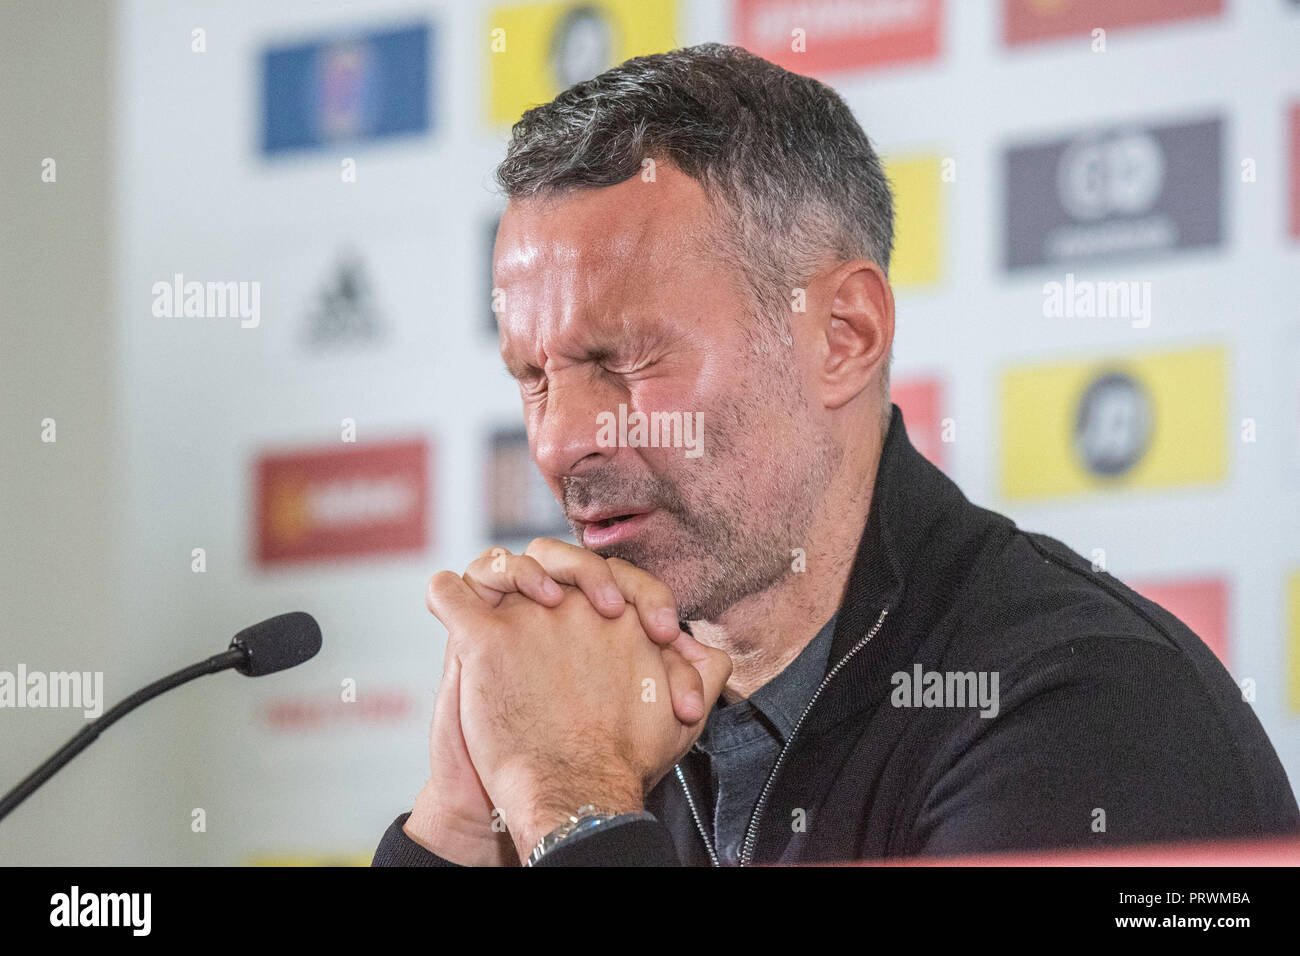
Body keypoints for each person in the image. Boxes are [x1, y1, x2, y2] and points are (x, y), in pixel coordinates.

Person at [373, 44, 1298, 867]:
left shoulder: (1090, 711)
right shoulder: (603, 700)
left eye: (623, 360)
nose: (559, 440)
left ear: (842, 336)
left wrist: (576, 807)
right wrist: (461, 830)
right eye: (534, 377)